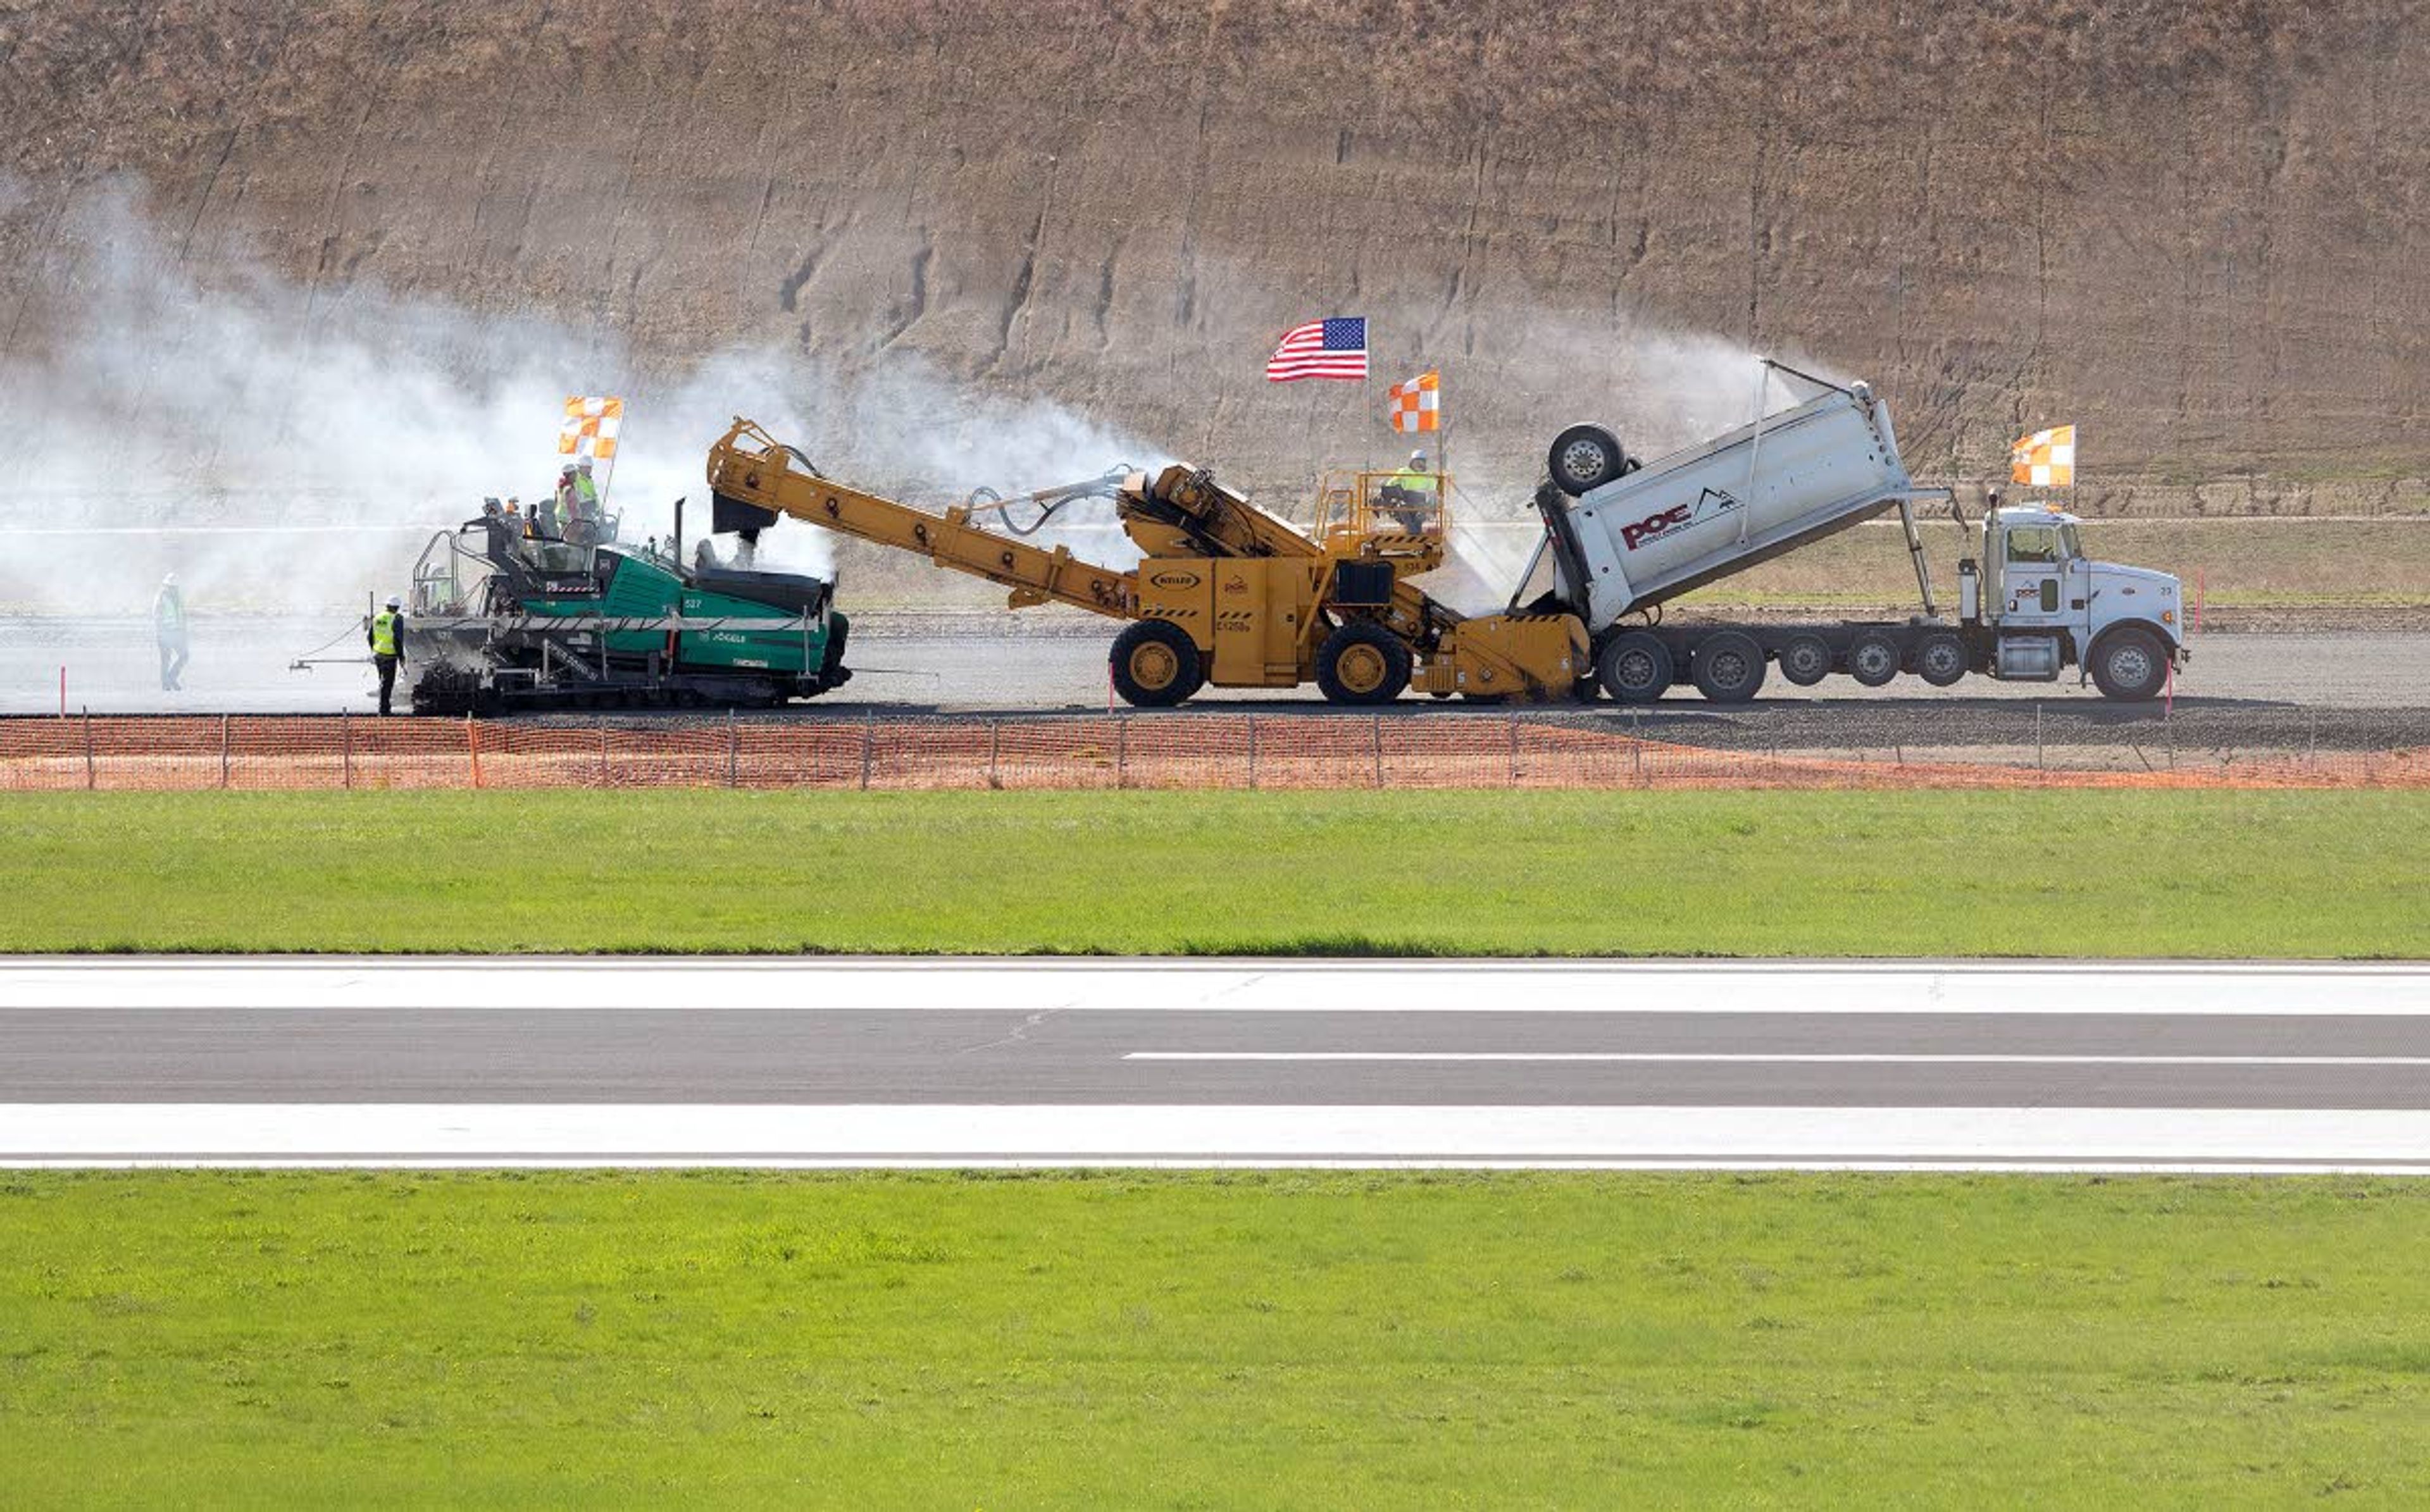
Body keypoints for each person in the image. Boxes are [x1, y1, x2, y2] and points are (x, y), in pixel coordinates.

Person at [1380, 449, 1440, 531]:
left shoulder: (1429, 476)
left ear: (1425, 463)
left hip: (1420, 501)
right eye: (1417, 461)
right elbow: (1391, 484)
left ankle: (1415, 529)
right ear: (1412, 462)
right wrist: (1385, 490)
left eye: (1421, 462)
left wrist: (1430, 504)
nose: (1419, 464)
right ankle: (1412, 530)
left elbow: (1432, 492)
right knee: (1401, 507)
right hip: (1405, 499)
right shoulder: (1404, 472)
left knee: (1423, 510)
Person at [368, 593, 406, 716]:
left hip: (379, 654)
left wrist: (374, 650)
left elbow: (369, 637)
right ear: (397, 607)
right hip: (390, 655)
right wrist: (401, 657)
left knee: (383, 681)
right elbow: (398, 640)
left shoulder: (377, 617)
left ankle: (385, 707)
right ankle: (384, 710)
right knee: (387, 683)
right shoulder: (397, 619)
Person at [154, 572, 189, 691]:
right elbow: (157, 615)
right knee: (166, 659)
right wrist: (161, 632)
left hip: (177, 633)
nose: (173, 589)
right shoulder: (161, 596)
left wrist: (184, 630)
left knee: (184, 656)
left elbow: (183, 615)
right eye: (171, 587)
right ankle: (166, 685)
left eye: (175, 587)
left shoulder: (179, 597)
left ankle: (171, 677)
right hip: (165, 633)